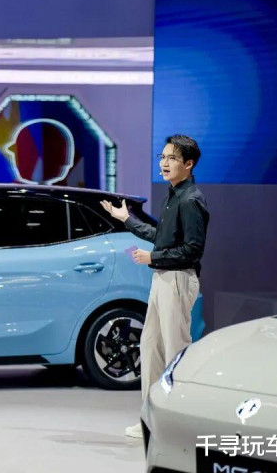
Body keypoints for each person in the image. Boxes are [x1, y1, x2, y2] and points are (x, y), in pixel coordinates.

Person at [100, 135, 209, 438]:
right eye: (163, 157)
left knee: (176, 353)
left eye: (172, 158)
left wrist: (153, 257)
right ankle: (151, 421)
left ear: (188, 164)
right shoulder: (173, 195)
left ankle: (181, 424)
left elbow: (192, 250)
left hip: (178, 279)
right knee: (150, 349)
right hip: (163, 278)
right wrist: (127, 219)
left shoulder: (191, 200)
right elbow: (160, 236)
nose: (164, 163)